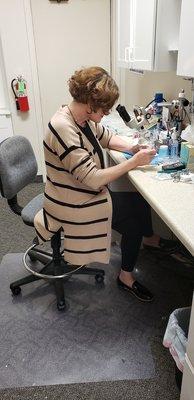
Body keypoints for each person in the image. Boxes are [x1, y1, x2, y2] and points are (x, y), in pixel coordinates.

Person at [34, 66, 177, 302]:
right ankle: (125, 277)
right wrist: (134, 163)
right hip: (73, 202)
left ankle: (148, 239)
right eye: (105, 108)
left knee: (138, 199)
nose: (107, 112)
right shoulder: (63, 126)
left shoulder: (79, 117)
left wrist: (132, 148)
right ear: (90, 103)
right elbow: (92, 178)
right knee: (132, 217)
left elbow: (106, 136)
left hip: (83, 192)